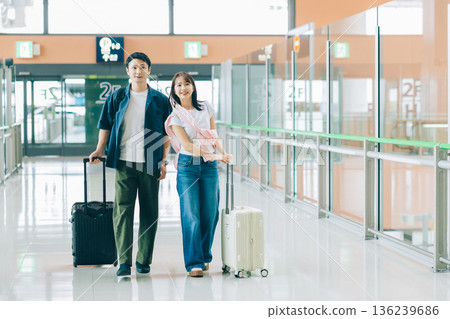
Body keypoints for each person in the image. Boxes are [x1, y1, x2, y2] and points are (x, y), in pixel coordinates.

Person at [89, 52, 171, 277]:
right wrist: (100, 148)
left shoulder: (161, 100)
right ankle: (124, 261)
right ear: (128, 71)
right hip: (124, 161)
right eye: (134, 67)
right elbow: (105, 124)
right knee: (122, 212)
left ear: (149, 70)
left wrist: (164, 160)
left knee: (149, 212)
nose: (138, 71)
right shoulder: (117, 97)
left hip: (150, 164)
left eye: (142, 66)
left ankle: (144, 260)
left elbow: (167, 134)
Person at [165, 72, 233, 277]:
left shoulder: (206, 107)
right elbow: (186, 145)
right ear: (174, 90)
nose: (183, 88)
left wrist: (222, 152)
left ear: (193, 87)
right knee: (191, 214)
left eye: (187, 83)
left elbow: (213, 135)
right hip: (188, 166)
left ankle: (204, 255)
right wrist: (212, 155)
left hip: (210, 166)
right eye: (178, 85)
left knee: (210, 213)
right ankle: (193, 262)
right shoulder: (175, 116)